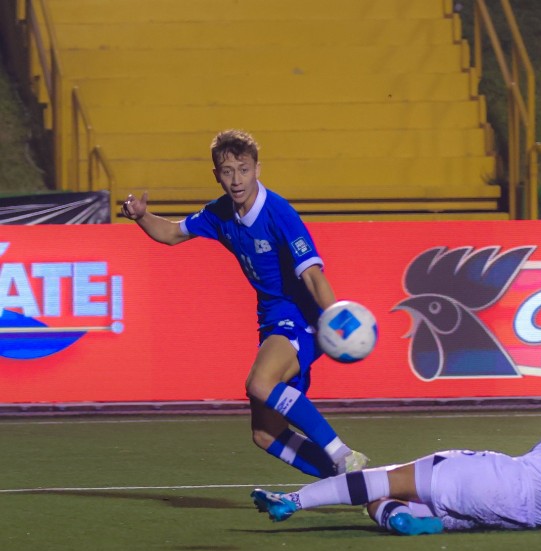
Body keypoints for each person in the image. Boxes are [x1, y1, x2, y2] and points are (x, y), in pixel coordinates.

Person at [122, 129, 368, 478]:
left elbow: (312, 274)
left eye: (244, 169)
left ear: (257, 169)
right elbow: (172, 233)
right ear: (216, 175)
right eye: (227, 171)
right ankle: (351, 481)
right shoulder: (220, 213)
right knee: (265, 435)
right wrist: (142, 217)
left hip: (302, 319)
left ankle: (341, 453)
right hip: (271, 321)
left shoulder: (279, 213)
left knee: (259, 383)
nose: (236, 179)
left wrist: (335, 318)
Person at [251, 364, 541, 535]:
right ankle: (407, 522)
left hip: (501, 481)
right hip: (512, 516)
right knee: (383, 502)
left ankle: (289, 502)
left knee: (387, 476)